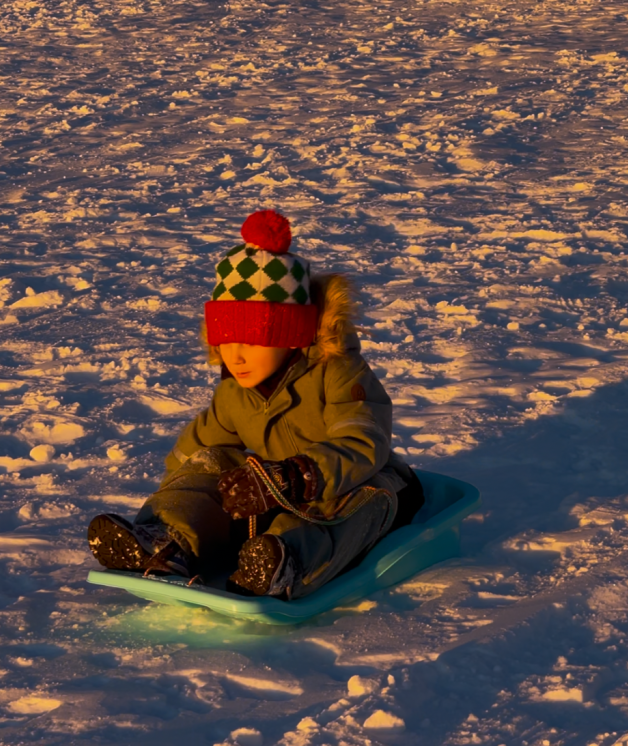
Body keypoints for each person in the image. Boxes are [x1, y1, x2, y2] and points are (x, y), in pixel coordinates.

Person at [87, 209, 423, 599]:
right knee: (214, 461)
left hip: (358, 487)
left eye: (251, 341)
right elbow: (193, 457)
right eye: (226, 342)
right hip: (274, 495)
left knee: (344, 503)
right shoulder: (234, 392)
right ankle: (167, 543)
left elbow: (363, 439)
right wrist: (186, 501)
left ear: (291, 335)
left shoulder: (338, 373)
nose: (236, 356)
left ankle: (285, 563)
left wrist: (298, 477)